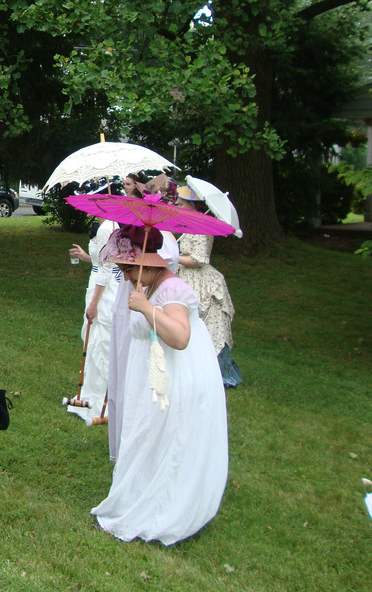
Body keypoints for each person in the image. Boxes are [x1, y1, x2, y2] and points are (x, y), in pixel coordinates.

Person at [93, 224, 228, 545]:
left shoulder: (173, 289)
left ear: (149, 262)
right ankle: (140, 493)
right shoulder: (146, 285)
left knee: (166, 438)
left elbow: (180, 337)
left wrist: (147, 308)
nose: (125, 276)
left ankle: (166, 506)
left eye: (128, 268)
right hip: (153, 373)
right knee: (146, 435)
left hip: (178, 378)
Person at [175, 186, 242, 387]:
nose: (177, 207)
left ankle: (218, 374)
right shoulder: (190, 224)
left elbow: (199, 259)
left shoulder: (201, 226)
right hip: (186, 276)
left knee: (210, 327)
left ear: (191, 204)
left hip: (201, 281)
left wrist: (174, 257)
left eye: (180, 204)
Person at [65, 182, 121, 423]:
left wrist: (95, 302)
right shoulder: (106, 226)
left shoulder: (107, 228)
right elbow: (101, 262)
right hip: (100, 282)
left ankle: (104, 400)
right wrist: (87, 258)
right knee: (96, 337)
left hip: (105, 290)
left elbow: (107, 269)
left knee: (101, 339)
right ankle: (92, 392)